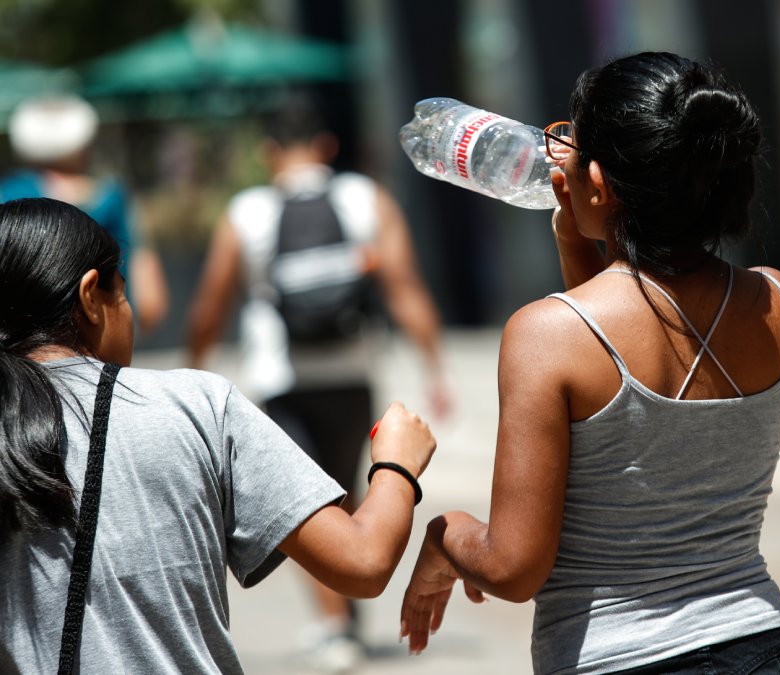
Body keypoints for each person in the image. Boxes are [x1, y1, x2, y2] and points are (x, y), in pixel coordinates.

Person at [399, 52, 780, 674]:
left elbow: (513, 568)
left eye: (570, 139)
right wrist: (578, 238)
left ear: (597, 181)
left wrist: (443, 537)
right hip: (762, 648)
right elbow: (633, 343)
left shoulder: (545, 334)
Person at [0, 197, 435, 673]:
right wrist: (396, 464)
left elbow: (211, 302)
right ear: (90, 297)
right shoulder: (196, 404)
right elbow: (363, 561)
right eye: (122, 294)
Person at [186, 99, 451, 670]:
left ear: (268, 152)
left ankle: (336, 626)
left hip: (282, 378)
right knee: (345, 490)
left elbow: (210, 304)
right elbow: (405, 286)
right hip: (353, 372)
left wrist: (192, 371)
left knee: (306, 503)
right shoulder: (367, 198)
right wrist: (435, 369)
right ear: (326, 146)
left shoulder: (247, 212)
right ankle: (344, 615)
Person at [0, 94, 170, 336]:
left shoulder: (8, 194)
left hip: (20, 344)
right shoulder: (112, 198)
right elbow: (151, 302)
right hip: (102, 334)